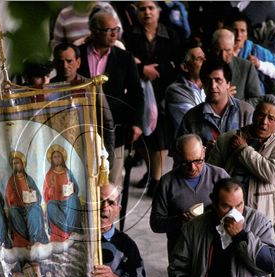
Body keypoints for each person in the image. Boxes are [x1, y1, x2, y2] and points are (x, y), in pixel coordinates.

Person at [122, 0, 183, 196]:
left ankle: (156, 180)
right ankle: (152, 175)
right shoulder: (129, 35)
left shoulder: (171, 33)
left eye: (151, 8)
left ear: (158, 11)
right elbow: (125, 60)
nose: (147, 12)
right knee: (141, 138)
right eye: (142, 9)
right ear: (136, 12)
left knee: (160, 138)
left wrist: (157, 69)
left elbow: (178, 63)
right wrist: (141, 69)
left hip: (163, 91)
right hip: (137, 91)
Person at [78, 10, 145, 187]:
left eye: (116, 29)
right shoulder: (77, 55)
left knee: (111, 183)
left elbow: (136, 92)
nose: (114, 33)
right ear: (93, 31)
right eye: (108, 30)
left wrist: (136, 123)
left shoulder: (125, 58)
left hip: (115, 129)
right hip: (82, 128)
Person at [207, 94, 275, 224]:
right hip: (226, 210)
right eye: (260, 115)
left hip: (260, 214)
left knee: (255, 244)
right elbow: (210, 175)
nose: (264, 122)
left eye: (271, 118)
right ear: (253, 115)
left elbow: (271, 174)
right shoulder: (227, 139)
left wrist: (243, 150)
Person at [150, 134, 229, 263]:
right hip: (181, 253)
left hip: (214, 251)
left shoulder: (219, 176)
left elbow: (237, 211)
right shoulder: (167, 183)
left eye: (198, 161)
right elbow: (155, 224)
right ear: (177, 157)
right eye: (186, 162)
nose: (193, 168)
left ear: (204, 152)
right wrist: (179, 220)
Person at [93, 183, 146, 277]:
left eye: (111, 203)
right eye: (99, 201)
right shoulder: (74, 240)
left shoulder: (126, 245)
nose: (104, 207)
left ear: (118, 210)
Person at [52, 42, 115, 168]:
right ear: (54, 63)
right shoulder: (48, 88)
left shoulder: (91, 87)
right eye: (61, 61)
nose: (65, 66)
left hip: (88, 150)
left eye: (69, 61)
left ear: (78, 62)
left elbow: (107, 121)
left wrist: (108, 154)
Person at [176, 57, 254, 153]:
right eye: (208, 81)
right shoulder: (191, 117)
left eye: (218, 80)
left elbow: (258, 149)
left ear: (228, 84)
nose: (213, 86)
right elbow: (181, 155)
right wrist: (202, 152)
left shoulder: (246, 111)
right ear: (203, 84)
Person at [230, 14, 275, 101]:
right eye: (235, 30)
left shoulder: (255, 50)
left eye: (242, 31)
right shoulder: (222, 49)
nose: (238, 35)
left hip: (253, 100)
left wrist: (260, 64)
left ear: (247, 34)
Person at [164, 39, 206, 150]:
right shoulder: (175, 91)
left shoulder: (210, 85)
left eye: (204, 57)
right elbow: (195, 122)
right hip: (189, 152)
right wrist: (219, 100)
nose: (205, 61)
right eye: (199, 59)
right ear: (185, 67)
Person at [5, 151, 48, 247]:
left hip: (30, 207)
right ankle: (23, 240)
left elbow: (39, 197)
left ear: (22, 164)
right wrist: (13, 197)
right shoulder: (12, 181)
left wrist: (33, 194)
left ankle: (35, 240)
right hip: (18, 209)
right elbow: (8, 198)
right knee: (12, 211)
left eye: (18, 163)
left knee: (36, 209)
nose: (16, 165)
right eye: (14, 163)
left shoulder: (29, 179)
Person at [211, 28, 262, 106]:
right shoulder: (203, 67)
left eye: (228, 50)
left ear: (233, 47)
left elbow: (257, 99)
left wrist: (233, 103)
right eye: (218, 50)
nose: (223, 56)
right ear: (212, 48)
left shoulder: (246, 67)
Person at [43, 144, 82, 241]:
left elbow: (76, 189)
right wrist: (50, 190)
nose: (57, 159)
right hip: (56, 203)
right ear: (52, 159)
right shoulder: (49, 174)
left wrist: (71, 187)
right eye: (55, 157)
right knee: (50, 205)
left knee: (74, 199)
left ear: (62, 158)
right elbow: (45, 194)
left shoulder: (68, 172)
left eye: (59, 156)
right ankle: (67, 230)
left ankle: (72, 230)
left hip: (67, 201)